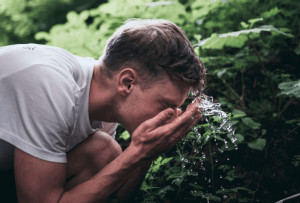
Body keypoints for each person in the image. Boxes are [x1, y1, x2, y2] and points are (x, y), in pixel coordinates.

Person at [0, 19, 206, 202]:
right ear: (127, 83)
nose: (171, 116)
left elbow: (118, 193)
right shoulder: (50, 87)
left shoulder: (104, 104)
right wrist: (139, 150)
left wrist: (146, 154)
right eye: (166, 106)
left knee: (104, 152)